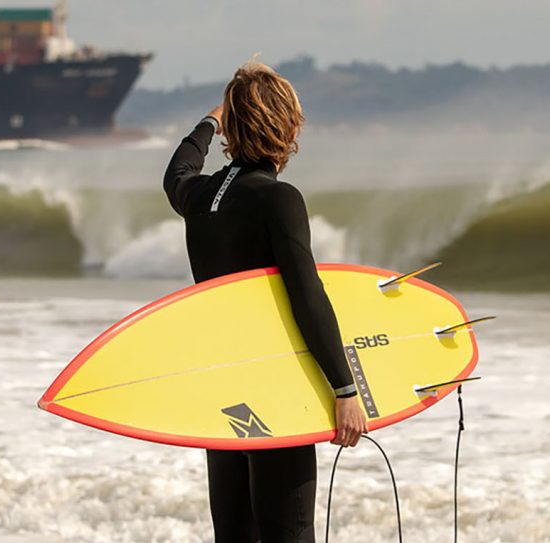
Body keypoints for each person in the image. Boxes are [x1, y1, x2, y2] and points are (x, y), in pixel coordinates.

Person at [163, 60, 367, 542]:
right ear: (287, 125)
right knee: (288, 532)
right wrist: (345, 389)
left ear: (235, 126)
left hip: (225, 389)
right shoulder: (278, 199)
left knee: (234, 534)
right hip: (275, 386)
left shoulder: (199, 196)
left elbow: (178, 170)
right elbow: (307, 295)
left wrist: (210, 122)